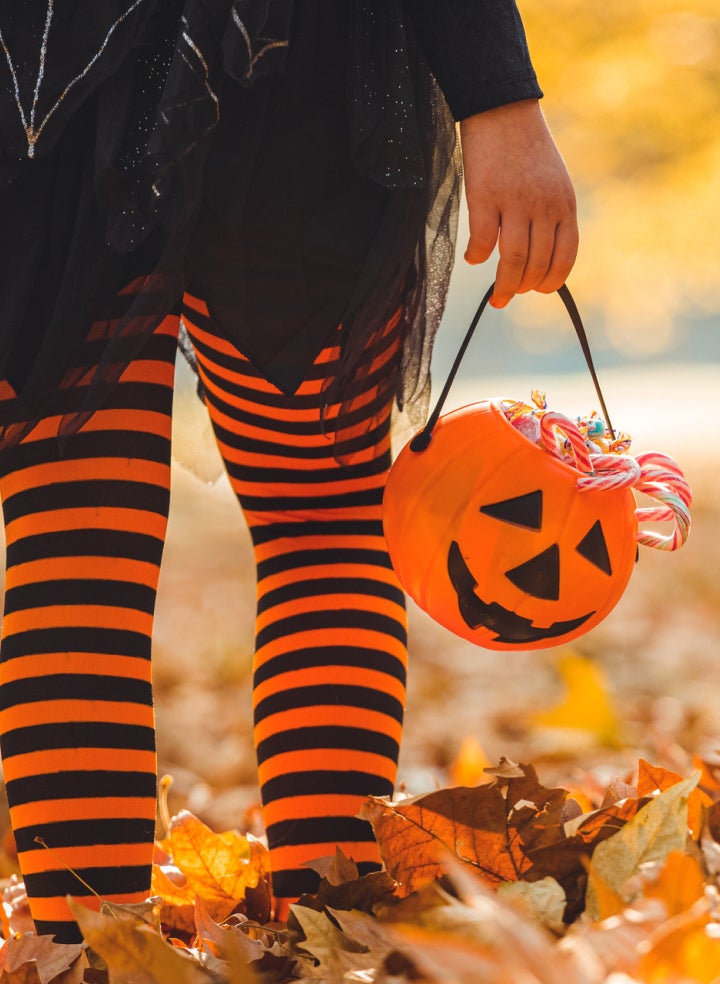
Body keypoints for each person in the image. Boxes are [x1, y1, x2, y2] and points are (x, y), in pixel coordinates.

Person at [0, 0, 577, 942]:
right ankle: (158, 940)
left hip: (244, 73)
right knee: (136, 526)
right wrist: (497, 96)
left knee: (271, 523)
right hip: (136, 81)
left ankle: (235, 933)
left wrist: (500, 99)